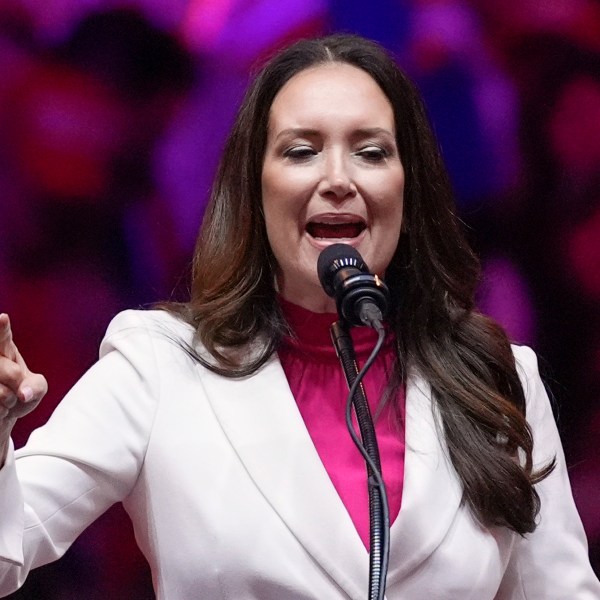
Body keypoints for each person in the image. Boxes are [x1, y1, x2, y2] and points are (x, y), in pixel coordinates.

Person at [0, 34, 598, 599]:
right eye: (302, 151)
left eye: (370, 152)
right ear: (254, 191)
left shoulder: (499, 381)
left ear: (409, 190)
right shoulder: (159, 366)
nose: (337, 180)